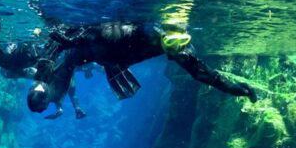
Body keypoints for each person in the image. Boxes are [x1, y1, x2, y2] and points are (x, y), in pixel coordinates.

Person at [27, 21, 258, 114]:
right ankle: (43, 93)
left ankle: (44, 92)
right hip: (96, 51)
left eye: (179, 45)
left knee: (70, 58)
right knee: (69, 56)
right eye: (173, 43)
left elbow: (203, 74)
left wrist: (237, 88)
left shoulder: (175, 49)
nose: (177, 49)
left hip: (101, 55)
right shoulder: (142, 33)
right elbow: (94, 33)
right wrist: (70, 40)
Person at [0, 41, 87, 119]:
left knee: (7, 71)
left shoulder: (46, 87)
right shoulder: (60, 82)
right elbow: (60, 96)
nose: (37, 86)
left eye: (32, 88)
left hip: (51, 61)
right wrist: (71, 108)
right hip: (60, 60)